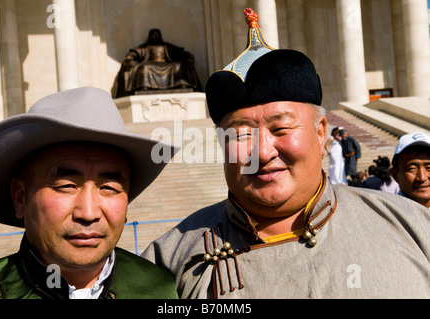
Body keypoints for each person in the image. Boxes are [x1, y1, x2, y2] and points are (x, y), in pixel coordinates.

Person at [142, 10, 429, 298]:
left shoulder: (411, 226)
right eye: (241, 134)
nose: (263, 152)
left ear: (320, 133)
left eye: (280, 129)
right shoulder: (167, 262)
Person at [0, 87, 179, 299]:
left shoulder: (160, 289)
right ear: (20, 198)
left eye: (109, 188)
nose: (88, 213)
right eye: (66, 185)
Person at [115, 28, 201, 97]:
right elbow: (135, 52)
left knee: (178, 66)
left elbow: (180, 52)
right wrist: (130, 56)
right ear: (150, 36)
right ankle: (144, 87)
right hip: (151, 64)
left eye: (157, 34)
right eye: (153, 35)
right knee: (144, 68)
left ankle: (182, 84)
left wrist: (187, 55)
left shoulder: (166, 46)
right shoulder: (146, 47)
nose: (155, 36)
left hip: (166, 64)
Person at [391, 132, 430, 209]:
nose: (422, 178)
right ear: (395, 175)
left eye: (429, 168)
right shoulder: (384, 216)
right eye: (412, 169)